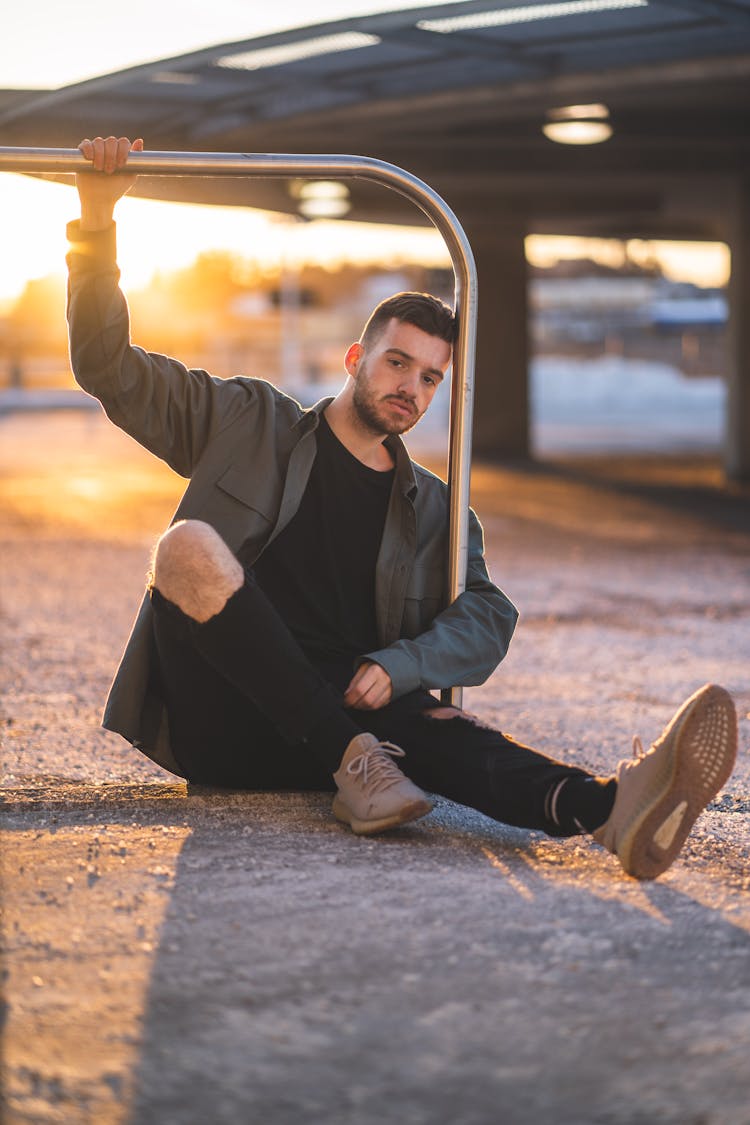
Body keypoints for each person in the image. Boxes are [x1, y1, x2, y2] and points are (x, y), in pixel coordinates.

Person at [67, 135, 738, 880]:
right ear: (356, 359)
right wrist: (96, 225)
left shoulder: (437, 513)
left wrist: (401, 664)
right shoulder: (247, 420)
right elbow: (108, 368)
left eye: (429, 377)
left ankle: (613, 809)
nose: (411, 388)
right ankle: (353, 759)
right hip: (222, 718)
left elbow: (489, 616)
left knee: (444, 724)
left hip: (346, 731)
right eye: (397, 362)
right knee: (187, 547)